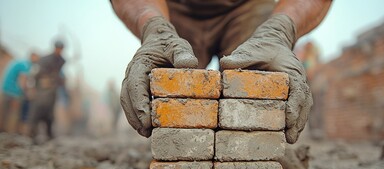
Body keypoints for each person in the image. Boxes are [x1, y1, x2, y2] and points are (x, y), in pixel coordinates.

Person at [111, 0, 332, 144]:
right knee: (176, 126)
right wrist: (152, 25)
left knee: (258, 129)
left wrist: (281, 29)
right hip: (169, 7)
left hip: (248, 8)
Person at [28, 40, 66, 142]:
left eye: (61, 49)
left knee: (50, 113)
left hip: (52, 90)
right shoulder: (45, 59)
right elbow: (36, 74)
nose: (59, 51)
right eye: (58, 48)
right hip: (42, 90)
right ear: (55, 48)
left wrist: (58, 81)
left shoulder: (61, 60)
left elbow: (59, 76)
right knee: (37, 110)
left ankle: (49, 133)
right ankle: (32, 133)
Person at [0, 52, 39, 133]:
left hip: (6, 89)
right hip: (13, 92)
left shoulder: (21, 62)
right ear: (32, 56)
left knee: (4, 113)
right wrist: (27, 93)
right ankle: (10, 133)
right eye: (37, 58)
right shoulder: (25, 65)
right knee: (14, 114)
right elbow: (22, 81)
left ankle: (4, 132)